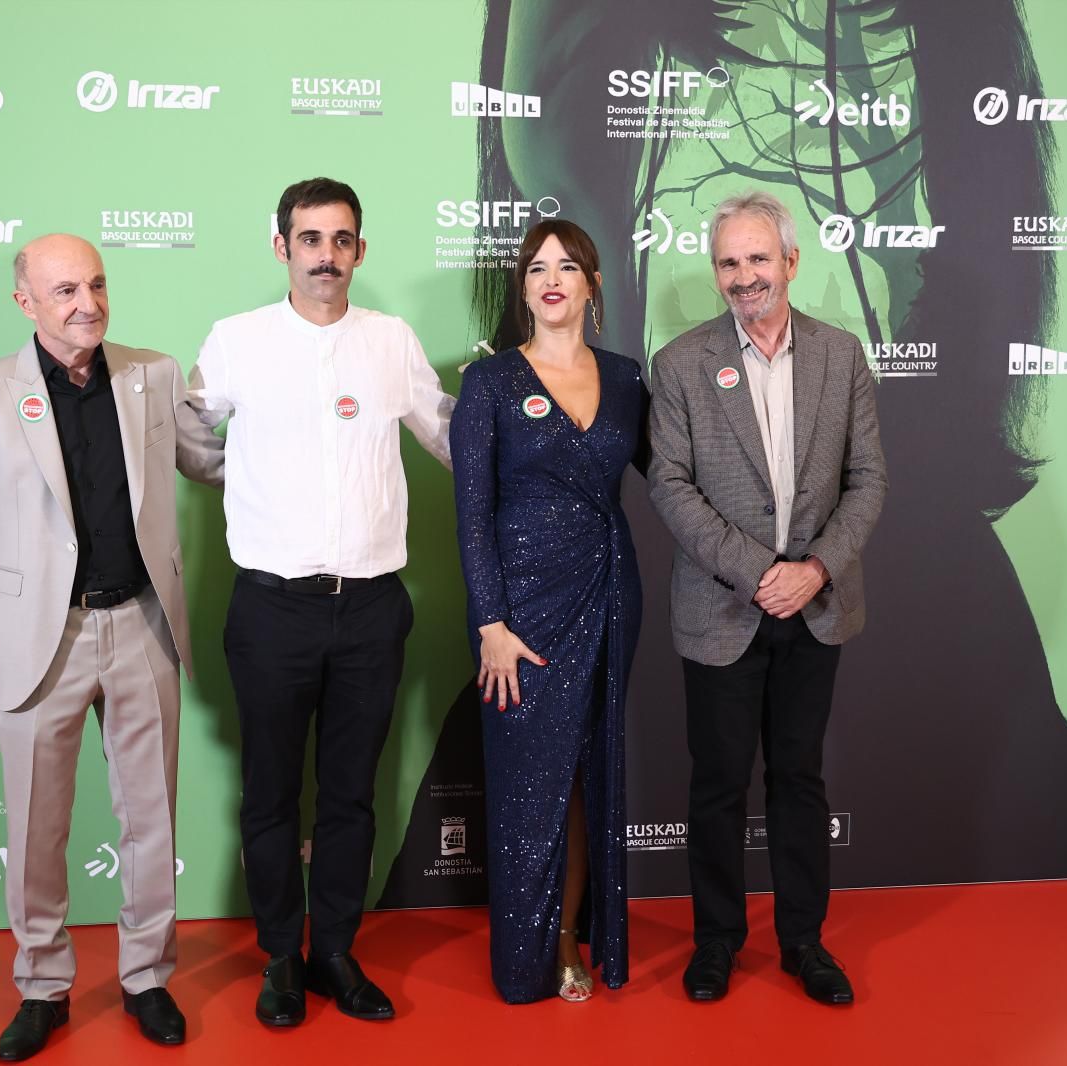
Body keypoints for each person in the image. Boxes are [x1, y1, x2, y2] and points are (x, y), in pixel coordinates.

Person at [0, 234, 222, 1060]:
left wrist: (312, 441)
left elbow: (215, 462)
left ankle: (147, 976)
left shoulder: (154, 373)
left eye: (95, 284)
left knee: (150, 819)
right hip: (36, 639)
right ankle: (43, 985)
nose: (86, 303)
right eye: (64, 291)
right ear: (25, 303)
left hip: (141, 624)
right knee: (34, 825)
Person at [187, 177, 453, 1027]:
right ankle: (278, 957)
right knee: (270, 791)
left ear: (360, 251)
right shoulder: (235, 341)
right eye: (310, 240)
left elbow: (449, 437)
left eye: (341, 241)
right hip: (271, 608)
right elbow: (192, 437)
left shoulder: (392, 341)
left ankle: (334, 949)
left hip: (373, 606)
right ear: (282, 248)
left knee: (349, 793)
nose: (326, 257)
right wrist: (249, 477)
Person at [647, 191, 887, 1006]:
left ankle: (803, 943)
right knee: (717, 783)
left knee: (799, 779)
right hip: (723, 609)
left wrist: (814, 569)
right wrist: (759, 571)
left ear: (790, 261)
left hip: (816, 608)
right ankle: (715, 942)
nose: (744, 277)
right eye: (727, 262)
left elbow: (870, 480)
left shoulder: (841, 355)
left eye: (757, 259)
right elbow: (671, 487)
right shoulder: (679, 364)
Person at [451, 220, 646, 1004]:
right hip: (521, 618)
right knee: (533, 787)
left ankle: (569, 936)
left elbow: (675, 474)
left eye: (569, 266)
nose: (553, 279)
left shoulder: (629, 377)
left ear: (593, 284)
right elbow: (470, 515)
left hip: (609, 594)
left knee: (587, 775)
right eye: (537, 269)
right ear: (522, 287)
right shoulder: (490, 382)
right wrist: (491, 623)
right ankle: (530, 956)